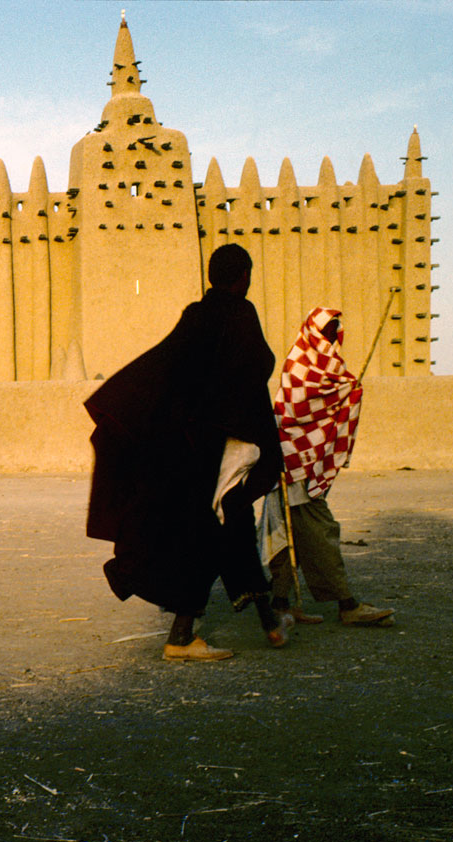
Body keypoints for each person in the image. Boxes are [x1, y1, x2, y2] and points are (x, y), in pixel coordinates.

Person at [85, 243, 291, 661]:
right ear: (243, 276)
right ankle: (196, 635)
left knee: (221, 531)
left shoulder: (195, 316)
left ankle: (262, 625)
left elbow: (162, 370)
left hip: (189, 450)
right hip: (227, 449)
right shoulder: (239, 313)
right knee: (220, 532)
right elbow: (260, 365)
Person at [268, 306, 395, 627]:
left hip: (305, 465)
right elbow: (294, 411)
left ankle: (281, 604)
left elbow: (327, 411)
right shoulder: (298, 366)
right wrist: (345, 391)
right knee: (318, 533)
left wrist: (348, 392)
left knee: (289, 534)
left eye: (333, 334)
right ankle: (346, 604)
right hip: (292, 466)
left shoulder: (332, 372)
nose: (330, 340)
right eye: (326, 333)